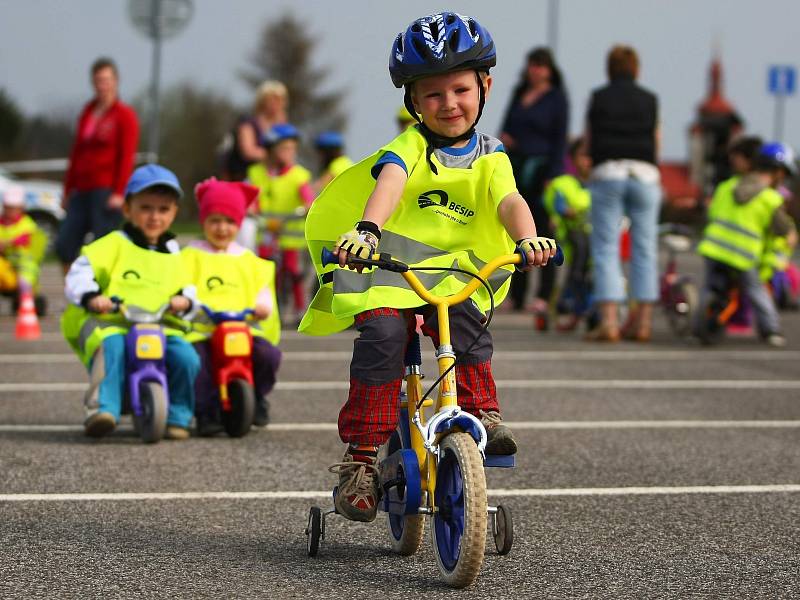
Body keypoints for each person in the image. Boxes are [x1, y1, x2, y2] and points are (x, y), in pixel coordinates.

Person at [299, 12, 557, 523]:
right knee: (383, 340)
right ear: (413, 102)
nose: (449, 105)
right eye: (433, 95)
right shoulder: (409, 147)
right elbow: (389, 186)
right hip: (387, 271)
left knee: (468, 323)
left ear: (484, 86)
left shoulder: (491, 154)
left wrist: (528, 238)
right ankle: (361, 460)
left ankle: (484, 413)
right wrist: (367, 231)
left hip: (452, 275)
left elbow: (509, 200)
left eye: (460, 89)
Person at [61, 164, 200, 439]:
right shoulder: (113, 243)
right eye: (146, 208)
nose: (154, 217)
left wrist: (185, 301)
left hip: (160, 323)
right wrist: (91, 297)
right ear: (127, 209)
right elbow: (80, 271)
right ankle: (102, 408)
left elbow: (189, 285)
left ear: (174, 213)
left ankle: (178, 414)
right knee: (111, 347)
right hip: (115, 321)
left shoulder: (175, 252)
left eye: (163, 210)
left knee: (186, 357)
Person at [182, 178, 282, 435]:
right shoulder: (190, 256)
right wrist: (187, 301)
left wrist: (262, 305)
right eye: (214, 221)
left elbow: (262, 287)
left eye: (229, 222)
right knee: (197, 361)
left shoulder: (248, 260)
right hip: (203, 329)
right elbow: (181, 284)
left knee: (268, 356)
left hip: (244, 326)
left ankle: (257, 397)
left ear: (238, 224)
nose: (222, 228)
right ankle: (206, 411)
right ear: (203, 221)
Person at [585, 45, 661, 342]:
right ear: (636, 69)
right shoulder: (650, 99)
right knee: (645, 248)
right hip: (644, 173)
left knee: (606, 248)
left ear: (609, 69)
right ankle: (642, 323)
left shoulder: (599, 98)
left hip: (609, 172)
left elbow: (590, 137)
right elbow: (657, 138)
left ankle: (610, 323)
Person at [694, 143, 796, 347]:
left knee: (708, 289)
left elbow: (712, 214)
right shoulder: (770, 197)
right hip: (743, 254)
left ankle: (698, 327)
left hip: (714, 248)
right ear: (777, 172)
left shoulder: (727, 186)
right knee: (756, 290)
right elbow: (782, 229)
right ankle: (771, 330)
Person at [499, 47, 568, 321]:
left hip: (541, 170)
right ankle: (516, 294)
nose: (535, 70)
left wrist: (554, 173)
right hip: (515, 167)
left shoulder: (556, 98)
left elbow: (560, 138)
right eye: (532, 65)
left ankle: (543, 294)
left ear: (549, 69)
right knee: (515, 230)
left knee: (543, 231)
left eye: (540, 65)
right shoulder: (519, 93)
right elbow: (506, 125)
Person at [57, 57, 139, 272]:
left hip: (106, 190)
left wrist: (120, 191)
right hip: (81, 188)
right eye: (98, 80)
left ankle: (104, 294)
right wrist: (67, 189)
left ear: (115, 81)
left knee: (103, 245)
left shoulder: (124, 115)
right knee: (65, 243)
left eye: (106, 80)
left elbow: (126, 155)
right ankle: (75, 293)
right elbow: (76, 153)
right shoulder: (88, 112)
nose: (102, 85)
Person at [247, 123, 314, 322]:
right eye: (284, 148)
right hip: (266, 233)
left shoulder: (298, 175)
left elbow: (308, 198)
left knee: (295, 273)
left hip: (292, 236)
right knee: (267, 272)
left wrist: (307, 207)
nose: (289, 153)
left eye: (292, 149)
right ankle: (269, 307)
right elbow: (251, 199)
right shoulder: (255, 173)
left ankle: (299, 309)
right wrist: (252, 210)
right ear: (270, 150)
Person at [543, 138, 592, 331]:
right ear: (573, 159)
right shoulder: (563, 184)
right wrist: (565, 211)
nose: (588, 161)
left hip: (595, 238)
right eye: (583, 156)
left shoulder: (602, 187)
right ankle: (564, 297)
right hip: (572, 236)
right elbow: (557, 204)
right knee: (578, 256)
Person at [0, 185, 46, 304]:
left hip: (24, 263)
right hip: (5, 262)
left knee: (24, 281)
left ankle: (26, 301)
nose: (10, 211)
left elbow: (26, 238)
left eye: (14, 208)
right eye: (8, 208)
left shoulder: (26, 223)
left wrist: (9, 242)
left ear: (21, 208)